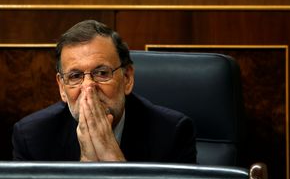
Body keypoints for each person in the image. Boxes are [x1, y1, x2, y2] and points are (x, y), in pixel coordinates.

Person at [12, 20, 197, 163]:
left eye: (101, 73)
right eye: (75, 76)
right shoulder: (33, 137)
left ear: (127, 79)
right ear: (62, 87)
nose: (88, 87)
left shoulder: (172, 133)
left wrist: (114, 162)